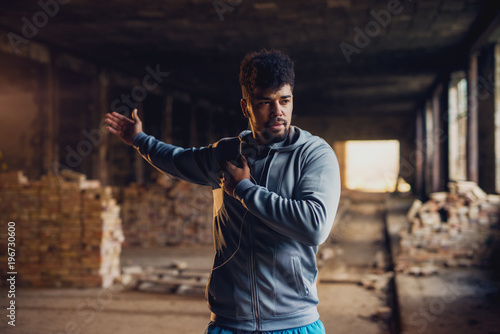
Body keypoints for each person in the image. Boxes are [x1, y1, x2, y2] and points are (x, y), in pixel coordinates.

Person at [106, 49, 341, 334]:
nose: (278, 111)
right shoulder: (228, 154)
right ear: (246, 107)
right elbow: (179, 160)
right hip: (230, 322)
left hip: (294, 321)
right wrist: (139, 140)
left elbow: (315, 225)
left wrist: (244, 189)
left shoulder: (313, 155)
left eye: (285, 100)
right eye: (266, 102)